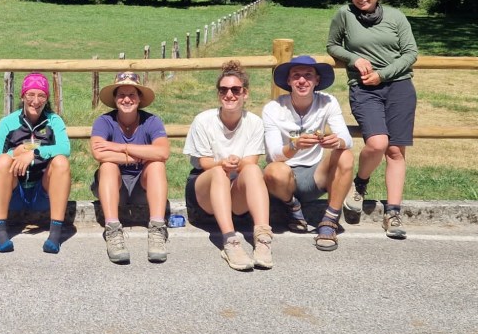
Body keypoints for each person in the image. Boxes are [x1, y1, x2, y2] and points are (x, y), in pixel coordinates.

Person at [327, 0, 418, 240]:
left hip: (399, 86)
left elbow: (410, 52)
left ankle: (393, 213)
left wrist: (384, 74)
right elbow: (333, 46)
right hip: (364, 88)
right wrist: (353, 59)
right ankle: (360, 182)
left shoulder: (396, 17)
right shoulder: (344, 15)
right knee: (377, 143)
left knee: (395, 151)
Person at [183, 60, 273, 271]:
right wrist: (221, 163)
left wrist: (237, 163)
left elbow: (251, 162)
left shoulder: (254, 122)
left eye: (235, 90)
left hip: (235, 193)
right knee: (218, 172)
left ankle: (263, 238)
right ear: (218, 94)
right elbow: (203, 162)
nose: (229, 94)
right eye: (223, 90)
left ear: (245, 93)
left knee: (253, 170)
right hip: (205, 190)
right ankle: (230, 241)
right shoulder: (203, 120)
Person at [262, 55, 354, 251]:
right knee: (273, 170)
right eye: (296, 76)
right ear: (288, 81)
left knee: (345, 154)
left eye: (308, 75)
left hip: (315, 175)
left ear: (317, 80)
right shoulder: (273, 108)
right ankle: (292, 206)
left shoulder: (328, 101)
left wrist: (336, 141)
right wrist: (294, 146)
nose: (302, 81)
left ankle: (330, 220)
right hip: (283, 178)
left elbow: (347, 139)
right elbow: (274, 154)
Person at [90, 71, 170, 264]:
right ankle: (112, 229)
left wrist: (121, 147)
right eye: (122, 95)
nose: (127, 99)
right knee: (107, 166)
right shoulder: (104, 121)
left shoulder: (151, 121)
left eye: (132, 94)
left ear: (139, 99)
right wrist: (141, 155)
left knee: (157, 165)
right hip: (113, 187)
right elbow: (99, 153)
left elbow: (163, 152)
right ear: (115, 99)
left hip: (143, 186)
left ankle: (157, 228)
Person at [0, 72, 71, 254]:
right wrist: (14, 153)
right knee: (3, 160)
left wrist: (33, 153)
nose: (36, 101)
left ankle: (55, 234)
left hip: (43, 192)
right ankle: (1, 232)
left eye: (41, 95)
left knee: (61, 162)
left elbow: (65, 148)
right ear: (22, 96)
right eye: (30, 95)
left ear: (47, 99)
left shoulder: (54, 121)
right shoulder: (7, 123)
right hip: (15, 193)